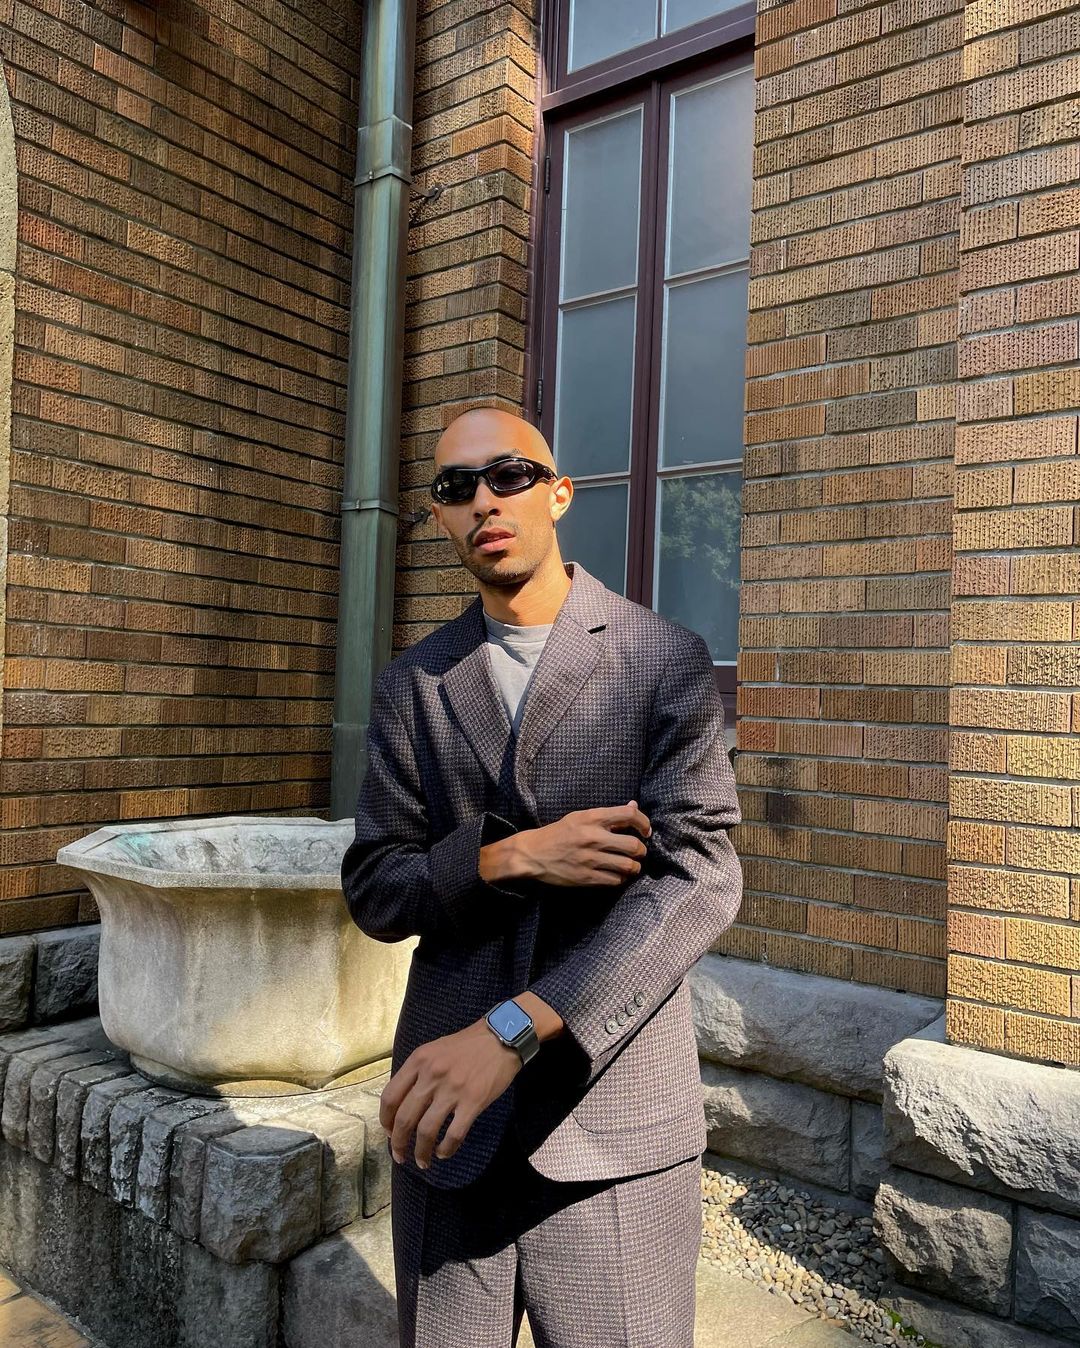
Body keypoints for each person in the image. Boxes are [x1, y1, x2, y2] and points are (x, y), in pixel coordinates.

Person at [340, 406, 742, 1348]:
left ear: (557, 494)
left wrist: (514, 1029)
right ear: (440, 517)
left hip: (614, 1127)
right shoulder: (413, 685)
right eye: (456, 487)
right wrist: (507, 856)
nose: (484, 500)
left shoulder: (661, 659)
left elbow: (699, 879)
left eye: (509, 475)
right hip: (447, 1130)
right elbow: (377, 888)